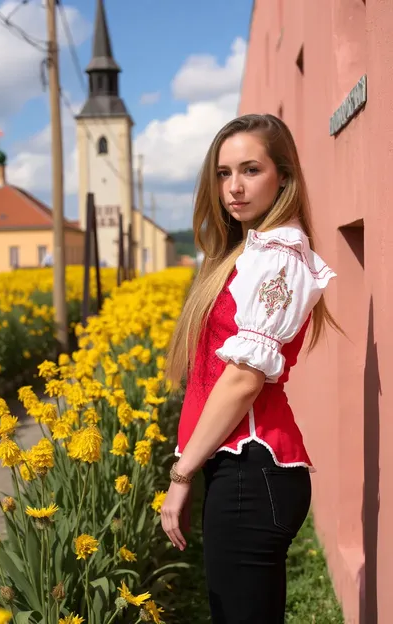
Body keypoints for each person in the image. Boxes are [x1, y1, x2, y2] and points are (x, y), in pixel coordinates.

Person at [161, 113, 340, 623]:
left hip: (253, 472)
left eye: (250, 170)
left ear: (283, 176)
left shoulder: (279, 255)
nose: (233, 187)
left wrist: (180, 475)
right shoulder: (248, 249)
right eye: (223, 173)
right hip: (241, 471)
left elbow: (242, 379)